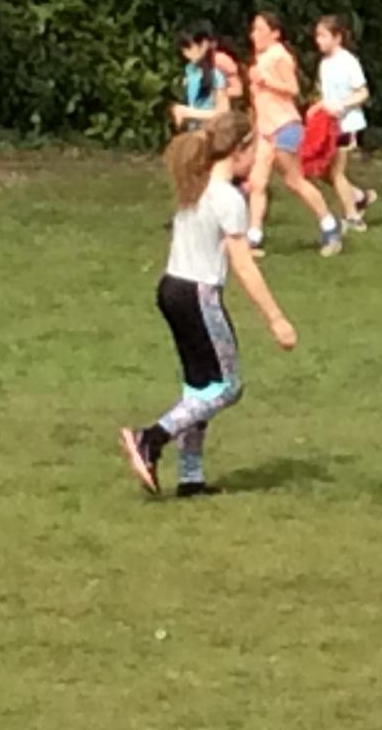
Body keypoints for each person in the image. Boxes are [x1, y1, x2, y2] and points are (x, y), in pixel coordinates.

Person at [118, 110, 298, 499]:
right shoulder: (228, 199)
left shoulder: (195, 186)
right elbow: (244, 265)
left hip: (171, 290)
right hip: (198, 295)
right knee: (227, 388)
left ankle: (191, 478)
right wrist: (276, 319)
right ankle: (150, 439)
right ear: (240, 150)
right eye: (255, 150)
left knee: (198, 387)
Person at [243, 7, 342, 257]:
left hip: (284, 125)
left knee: (294, 180)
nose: (254, 35)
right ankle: (253, 237)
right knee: (257, 182)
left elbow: (292, 88)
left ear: (275, 33)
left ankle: (329, 225)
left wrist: (265, 81)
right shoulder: (261, 58)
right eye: (254, 29)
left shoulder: (279, 56)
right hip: (266, 130)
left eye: (260, 29)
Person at [312, 13, 379, 230]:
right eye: (317, 36)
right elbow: (326, 96)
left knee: (336, 172)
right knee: (323, 171)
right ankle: (358, 196)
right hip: (329, 125)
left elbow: (363, 92)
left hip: (347, 124)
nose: (318, 40)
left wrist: (343, 105)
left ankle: (353, 217)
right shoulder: (324, 64)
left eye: (323, 36)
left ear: (337, 37)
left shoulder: (348, 62)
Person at [170, 22, 242, 131]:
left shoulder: (217, 71)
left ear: (203, 45)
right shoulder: (190, 71)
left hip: (213, 132)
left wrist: (188, 112)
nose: (186, 54)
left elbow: (223, 111)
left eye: (189, 47)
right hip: (195, 131)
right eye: (183, 50)